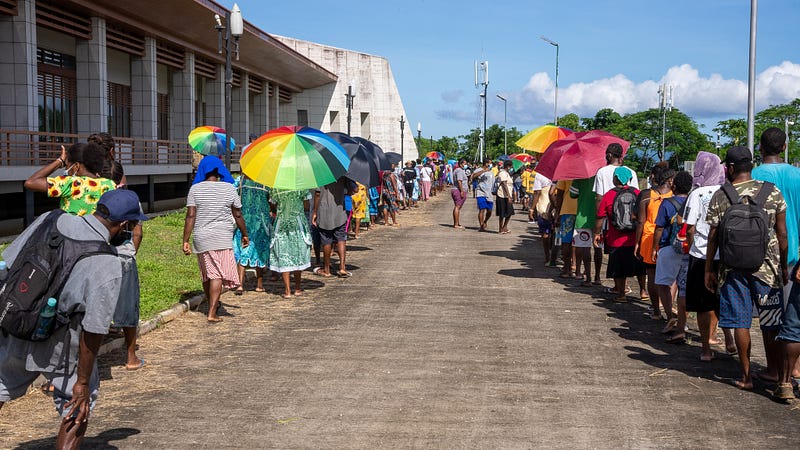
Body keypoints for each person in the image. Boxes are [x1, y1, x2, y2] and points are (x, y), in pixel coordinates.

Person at [0, 189, 147, 449]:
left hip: (16, 325)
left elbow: (9, 264)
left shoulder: (49, 219)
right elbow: (94, 327)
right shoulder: (107, 261)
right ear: (124, 225)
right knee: (77, 405)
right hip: (61, 344)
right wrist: (81, 383)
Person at [705, 145, 788, 391]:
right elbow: (782, 233)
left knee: (741, 322)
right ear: (750, 165)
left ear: (730, 168)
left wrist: (709, 269)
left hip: (732, 270)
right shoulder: (772, 192)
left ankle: (746, 376)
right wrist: (783, 266)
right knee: (771, 321)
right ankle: (774, 372)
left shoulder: (722, 195)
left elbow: (713, 236)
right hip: (767, 268)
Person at [752, 128, 800, 397]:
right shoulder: (797, 175)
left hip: (765, 258)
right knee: (796, 317)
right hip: (796, 257)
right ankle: (794, 369)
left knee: (770, 317)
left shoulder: (755, 176)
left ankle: (773, 369)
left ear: (760, 148)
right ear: (784, 147)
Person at [182, 156, 249, 322]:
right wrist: (245, 234)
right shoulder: (229, 188)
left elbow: (190, 216)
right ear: (220, 170)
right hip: (222, 237)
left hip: (201, 237)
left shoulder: (195, 189)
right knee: (217, 274)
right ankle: (212, 312)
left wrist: (185, 239)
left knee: (207, 274)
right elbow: (238, 214)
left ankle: (214, 303)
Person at [684, 151, 735, 361]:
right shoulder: (730, 192)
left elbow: (689, 227)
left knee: (703, 305)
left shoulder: (697, 193)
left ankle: (705, 348)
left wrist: (692, 245)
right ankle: (729, 338)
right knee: (724, 300)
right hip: (727, 255)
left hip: (701, 254)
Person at [652, 171, 693, 343]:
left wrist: (655, 248)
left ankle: (670, 316)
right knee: (684, 288)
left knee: (663, 283)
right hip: (687, 249)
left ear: (673, 186)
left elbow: (659, 227)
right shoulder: (693, 201)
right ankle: (682, 321)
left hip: (669, 248)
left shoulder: (667, 203)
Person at [24, 142, 116, 216]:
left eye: (67, 165)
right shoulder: (109, 184)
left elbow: (30, 182)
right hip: (98, 237)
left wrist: (59, 161)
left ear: (76, 166)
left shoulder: (72, 184)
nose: (66, 169)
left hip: (72, 237)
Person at [594, 167, 642, 302]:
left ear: (615, 179)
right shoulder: (637, 193)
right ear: (629, 179)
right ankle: (643, 291)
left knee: (618, 268)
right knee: (639, 267)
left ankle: (621, 294)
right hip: (634, 238)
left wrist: (597, 233)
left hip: (615, 238)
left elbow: (600, 216)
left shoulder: (609, 195)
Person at [635, 163, 675, 320]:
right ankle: (669, 310)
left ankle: (656, 310)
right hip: (668, 239)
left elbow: (640, 221)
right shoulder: (674, 196)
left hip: (648, 237)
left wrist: (637, 243)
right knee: (670, 277)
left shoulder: (646, 195)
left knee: (651, 275)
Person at [233, 175, 271, 295]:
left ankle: (240, 284)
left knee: (243, 249)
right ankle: (259, 285)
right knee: (259, 250)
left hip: (243, 220)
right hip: (261, 222)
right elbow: (271, 200)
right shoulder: (266, 182)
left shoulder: (240, 181)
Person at [269, 189, 311, 298]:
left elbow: (272, 204)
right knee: (298, 254)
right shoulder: (301, 186)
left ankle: (287, 290)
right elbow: (306, 206)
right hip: (298, 223)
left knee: (283, 255)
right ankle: (297, 288)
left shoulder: (276, 188)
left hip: (281, 223)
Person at [312, 177, 354, 278]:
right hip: (339, 211)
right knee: (341, 239)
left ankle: (326, 270)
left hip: (324, 211)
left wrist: (315, 211)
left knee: (326, 240)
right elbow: (353, 190)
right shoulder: (342, 174)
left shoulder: (321, 174)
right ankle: (342, 268)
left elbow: (317, 194)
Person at [571, 177, 599, 286]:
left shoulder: (579, 177)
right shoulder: (600, 176)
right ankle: (597, 277)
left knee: (585, 247)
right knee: (598, 248)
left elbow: (573, 194)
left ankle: (588, 278)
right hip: (599, 218)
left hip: (583, 218)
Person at [554, 179, 577, 278]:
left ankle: (566, 269)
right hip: (583, 212)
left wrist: (557, 213)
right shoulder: (589, 175)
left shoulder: (565, 173)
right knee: (581, 242)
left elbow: (559, 195)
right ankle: (577, 268)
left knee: (566, 241)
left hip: (567, 210)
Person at [531, 171, 554, 263]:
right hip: (558, 207)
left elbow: (537, 192)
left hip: (543, 207)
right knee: (555, 233)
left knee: (545, 233)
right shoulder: (560, 172)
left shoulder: (540, 174)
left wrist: (532, 209)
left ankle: (548, 257)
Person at [470, 158, 495, 232]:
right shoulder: (479, 170)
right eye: (490, 163)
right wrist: (483, 171)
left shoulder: (491, 172)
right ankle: (481, 225)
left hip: (489, 193)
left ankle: (485, 221)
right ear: (486, 163)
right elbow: (473, 176)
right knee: (482, 209)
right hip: (481, 192)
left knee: (489, 211)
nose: (491, 165)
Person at [495, 160, 515, 234]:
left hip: (507, 195)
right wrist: (509, 196)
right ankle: (500, 228)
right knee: (502, 213)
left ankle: (505, 227)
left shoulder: (507, 173)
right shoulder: (503, 173)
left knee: (510, 212)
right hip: (502, 195)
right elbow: (504, 184)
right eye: (511, 166)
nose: (512, 167)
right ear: (508, 166)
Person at [451, 159, 468, 229]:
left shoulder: (458, 170)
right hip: (458, 190)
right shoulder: (459, 171)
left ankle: (457, 223)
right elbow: (459, 181)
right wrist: (461, 191)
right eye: (465, 163)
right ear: (461, 164)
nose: (465, 165)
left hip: (456, 190)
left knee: (457, 207)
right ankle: (456, 224)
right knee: (457, 207)